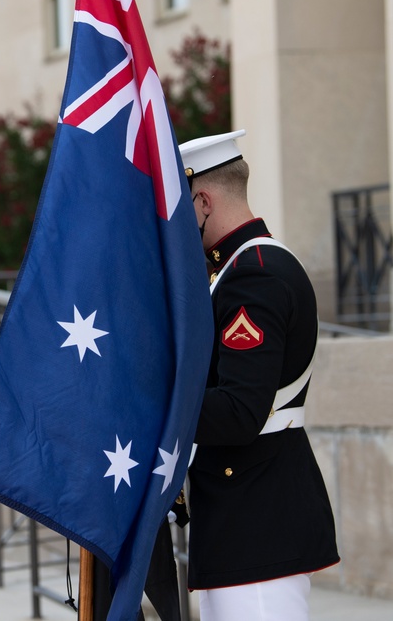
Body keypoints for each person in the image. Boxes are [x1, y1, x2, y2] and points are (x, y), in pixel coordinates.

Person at [182, 130, 339, 620]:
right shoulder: (236, 269)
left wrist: (143, 405)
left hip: (258, 521)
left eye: (179, 205)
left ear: (203, 200)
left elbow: (237, 413)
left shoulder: (257, 273)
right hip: (242, 519)